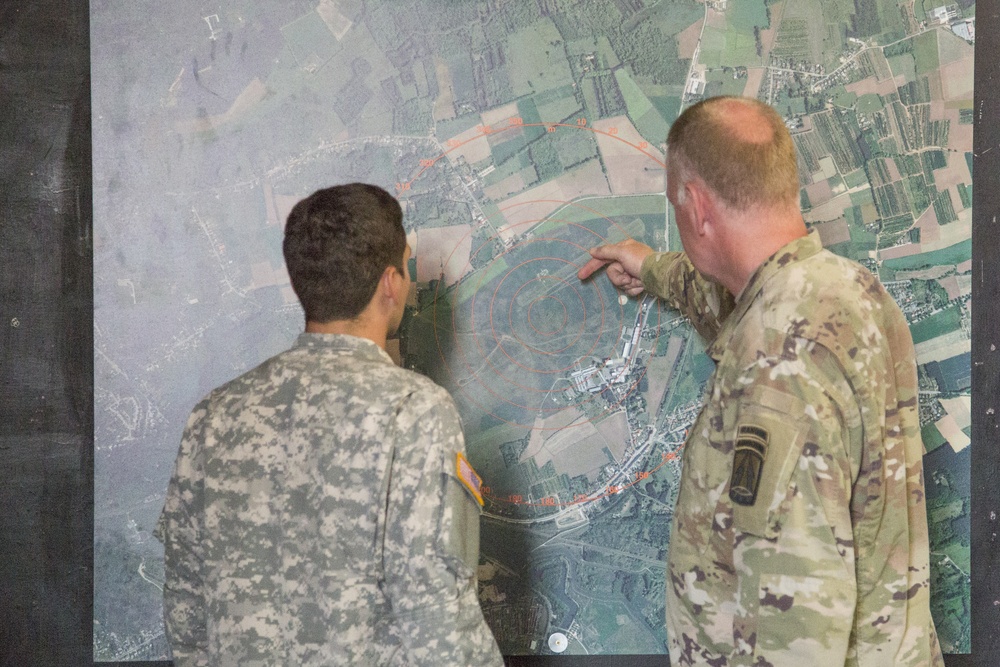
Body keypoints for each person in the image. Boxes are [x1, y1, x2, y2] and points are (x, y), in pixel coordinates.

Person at [578, 97, 944, 666]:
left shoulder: (779, 359)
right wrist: (651, 267)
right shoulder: (847, 292)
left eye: (679, 206)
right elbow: (733, 297)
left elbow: (795, 620)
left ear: (697, 208)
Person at [155, 183, 503, 666]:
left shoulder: (214, 415)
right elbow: (440, 619)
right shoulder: (415, 409)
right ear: (389, 283)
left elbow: (187, 616)